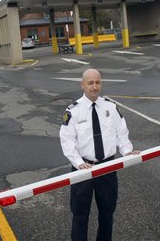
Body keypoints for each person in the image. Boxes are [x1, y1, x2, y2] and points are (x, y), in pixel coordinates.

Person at [59, 68, 139, 241]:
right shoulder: (73, 111)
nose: (94, 87)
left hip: (107, 167)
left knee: (107, 212)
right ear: (82, 85)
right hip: (83, 169)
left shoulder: (110, 106)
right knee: (80, 213)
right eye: (90, 83)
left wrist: (126, 150)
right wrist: (79, 162)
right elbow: (67, 141)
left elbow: (121, 133)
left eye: (97, 82)